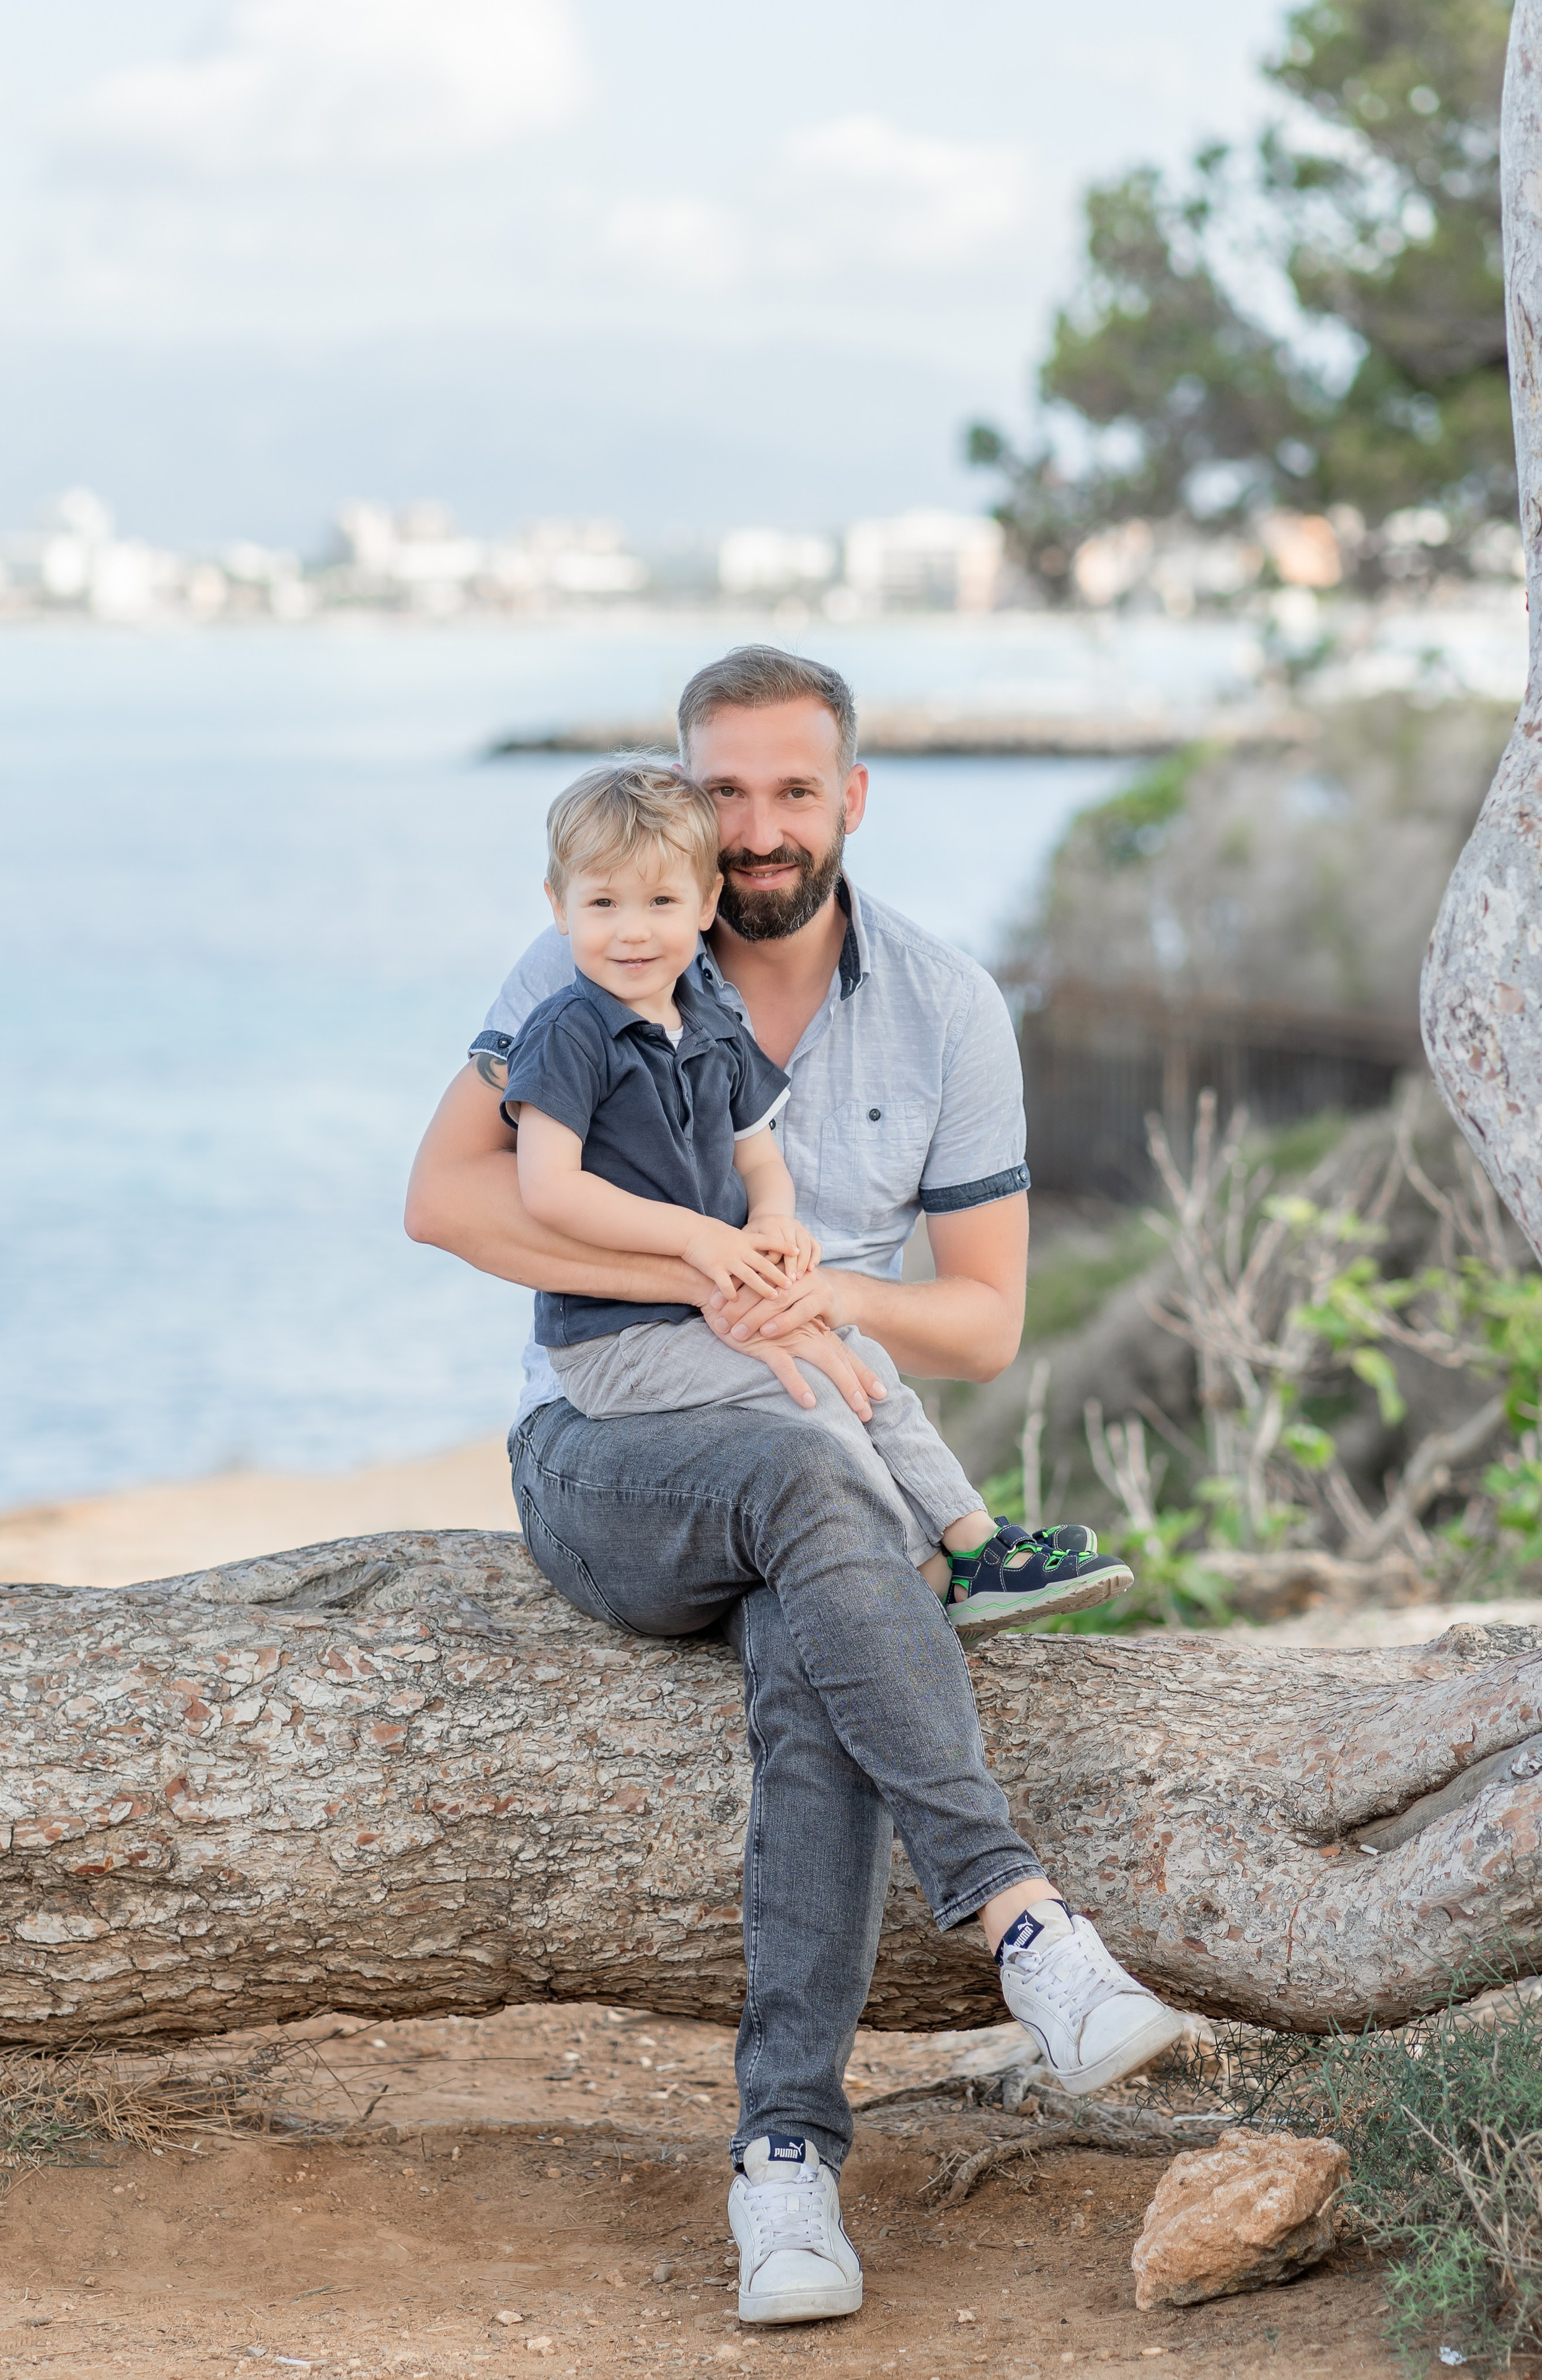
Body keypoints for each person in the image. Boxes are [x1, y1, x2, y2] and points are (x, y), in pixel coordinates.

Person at [406, 646, 1183, 2330]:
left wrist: (816, 1297)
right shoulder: (596, 953)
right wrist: (711, 1277)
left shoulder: (948, 1005)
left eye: (791, 791)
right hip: (606, 1454)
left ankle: (785, 2169)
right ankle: (1027, 1924)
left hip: (804, 1453)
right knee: (816, 1479)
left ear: (851, 798)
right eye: (726, 791)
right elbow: (447, 1205)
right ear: (684, 792)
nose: (756, 832)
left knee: (819, 1604)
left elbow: (980, 1321)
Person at [505, 753, 1133, 1631]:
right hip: (615, 1341)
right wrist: (701, 1242)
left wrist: (772, 1223)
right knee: (804, 1389)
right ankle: (909, 1579)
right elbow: (548, 1190)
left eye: (659, 904)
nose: (631, 932)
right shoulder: (569, 1029)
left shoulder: (710, 1020)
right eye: (602, 904)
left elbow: (759, 1153)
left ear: (704, 907)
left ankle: (976, 1541)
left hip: (714, 1302)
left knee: (856, 1357)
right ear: (557, 906)